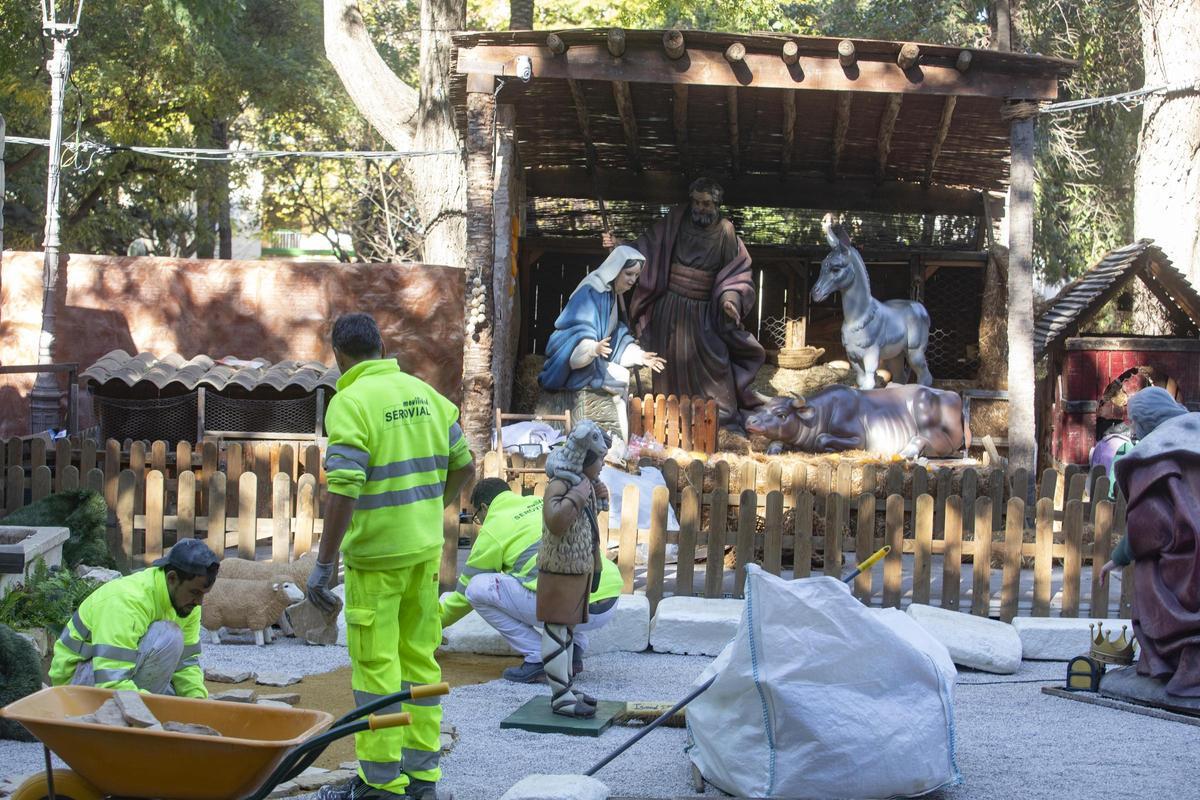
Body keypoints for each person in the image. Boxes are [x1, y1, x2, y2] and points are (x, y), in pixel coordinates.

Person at [309, 313, 475, 800]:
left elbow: (343, 488)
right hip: (424, 555)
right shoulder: (427, 396)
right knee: (419, 663)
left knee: (377, 668)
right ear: (381, 346)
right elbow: (464, 465)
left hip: (377, 561)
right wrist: (428, 508)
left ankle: (381, 783)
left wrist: (323, 563)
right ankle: (422, 776)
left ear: (338, 355)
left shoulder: (350, 402)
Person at [615, 177, 765, 430]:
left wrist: (730, 300)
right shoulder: (676, 220)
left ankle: (720, 423)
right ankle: (670, 423)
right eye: (696, 202)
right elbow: (648, 246)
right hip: (670, 308)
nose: (700, 208)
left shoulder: (726, 231)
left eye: (706, 203)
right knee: (669, 366)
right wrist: (620, 248)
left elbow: (736, 273)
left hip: (705, 312)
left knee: (716, 365)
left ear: (716, 204)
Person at [440, 478, 622, 683]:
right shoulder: (540, 503)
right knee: (539, 577)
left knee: (477, 588)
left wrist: (435, 625)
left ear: (484, 507)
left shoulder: (493, 527)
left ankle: (540, 658)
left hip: (569, 606)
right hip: (607, 600)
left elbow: (463, 597)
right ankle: (573, 651)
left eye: (477, 517)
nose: (480, 523)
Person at [1100, 387, 1200, 697]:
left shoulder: (1154, 453)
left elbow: (1150, 528)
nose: (1132, 429)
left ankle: (1171, 663)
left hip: (1187, 560)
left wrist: (1120, 556)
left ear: (1144, 421)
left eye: (1133, 421)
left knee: (1148, 570)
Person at [49, 538, 218, 698]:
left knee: (180, 699)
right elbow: (111, 681)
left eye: (204, 594)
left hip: (110, 675)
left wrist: (197, 703)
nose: (199, 602)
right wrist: (150, 714)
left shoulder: (187, 604)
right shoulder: (127, 601)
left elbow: (185, 663)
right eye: (195, 592)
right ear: (172, 578)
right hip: (74, 687)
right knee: (169, 635)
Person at [539, 246, 666, 436]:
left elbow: (614, 339)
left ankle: (620, 445)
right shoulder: (593, 292)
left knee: (622, 378)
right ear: (615, 270)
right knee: (621, 378)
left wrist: (639, 356)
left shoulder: (610, 295)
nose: (632, 280)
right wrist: (592, 348)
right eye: (629, 273)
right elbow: (578, 333)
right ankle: (617, 442)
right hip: (572, 362)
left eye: (636, 276)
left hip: (594, 359)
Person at [536, 420, 612, 718]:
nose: (603, 466)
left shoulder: (581, 483)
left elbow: (588, 520)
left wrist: (596, 495)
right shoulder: (562, 483)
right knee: (556, 631)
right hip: (561, 569)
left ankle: (564, 687)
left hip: (578, 568)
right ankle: (560, 697)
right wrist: (580, 494)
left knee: (566, 632)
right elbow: (556, 521)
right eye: (600, 460)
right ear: (584, 460)